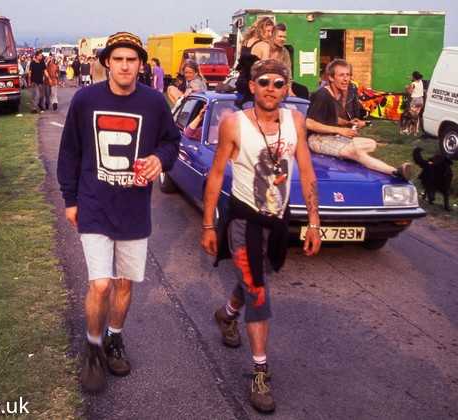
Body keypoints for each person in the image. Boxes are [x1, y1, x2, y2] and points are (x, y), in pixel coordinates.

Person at [57, 31, 180, 394]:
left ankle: (114, 338)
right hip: (94, 203)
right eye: (119, 59)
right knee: (100, 283)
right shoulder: (85, 99)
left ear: (141, 64)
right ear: (107, 62)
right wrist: (70, 199)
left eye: (132, 59)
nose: (125, 65)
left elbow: (171, 142)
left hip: (134, 207)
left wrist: (160, 158)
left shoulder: (155, 102)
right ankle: (92, 349)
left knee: (125, 284)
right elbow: (70, 153)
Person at [201, 60, 321, 414]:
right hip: (244, 222)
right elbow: (217, 173)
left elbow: (308, 171)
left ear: (287, 89)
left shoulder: (294, 122)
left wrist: (313, 222)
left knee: (257, 279)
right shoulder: (233, 124)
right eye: (264, 82)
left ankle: (226, 315)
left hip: (278, 221)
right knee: (257, 291)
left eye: (279, 83)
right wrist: (208, 224)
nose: (271, 88)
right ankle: (260, 373)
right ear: (252, 86)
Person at [306, 59, 412, 179]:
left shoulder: (338, 94)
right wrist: (339, 130)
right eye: (341, 75)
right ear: (331, 78)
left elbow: (331, 118)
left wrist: (347, 123)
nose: (346, 79)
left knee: (371, 144)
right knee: (355, 152)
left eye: (348, 75)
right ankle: (395, 171)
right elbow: (309, 123)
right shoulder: (322, 95)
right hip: (316, 139)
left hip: (331, 137)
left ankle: (353, 156)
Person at [235, 17, 274, 105]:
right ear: (260, 30)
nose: (270, 34)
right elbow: (265, 70)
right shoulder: (264, 45)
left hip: (241, 84)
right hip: (254, 88)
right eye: (268, 31)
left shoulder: (245, 42)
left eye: (271, 31)